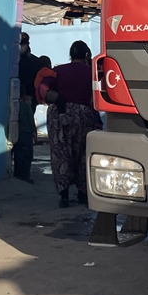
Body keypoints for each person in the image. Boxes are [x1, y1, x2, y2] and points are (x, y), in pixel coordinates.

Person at [37, 40, 102, 208]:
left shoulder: (58, 70)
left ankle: (64, 196)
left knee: (60, 154)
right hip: (83, 115)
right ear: (86, 54)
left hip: (59, 115)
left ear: (71, 55)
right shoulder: (91, 73)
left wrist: (58, 101)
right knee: (82, 154)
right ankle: (82, 193)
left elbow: (44, 87)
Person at [13, 33, 42, 183]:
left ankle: (23, 172)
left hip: (28, 99)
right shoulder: (16, 60)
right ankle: (21, 171)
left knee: (23, 137)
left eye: (22, 45)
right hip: (17, 99)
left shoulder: (32, 62)